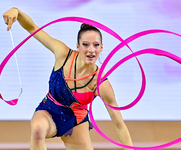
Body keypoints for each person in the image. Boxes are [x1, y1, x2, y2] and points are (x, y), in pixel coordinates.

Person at [3, 8, 133, 150]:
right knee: (38, 131)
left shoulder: (101, 83)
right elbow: (33, 28)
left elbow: (119, 125)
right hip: (48, 111)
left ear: (101, 48)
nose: (91, 50)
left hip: (75, 121)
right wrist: (17, 12)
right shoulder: (63, 54)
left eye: (96, 45)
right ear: (78, 46)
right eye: (85, 44)